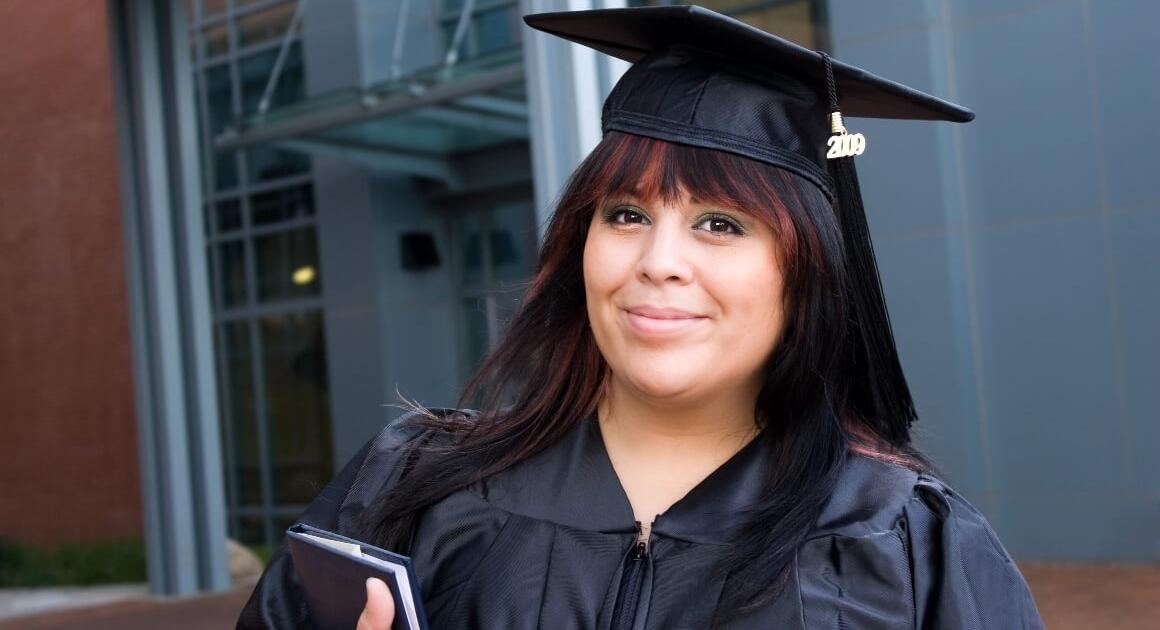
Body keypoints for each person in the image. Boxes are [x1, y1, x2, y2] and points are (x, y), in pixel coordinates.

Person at [237, 5, 1044, 629]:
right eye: (624, 214)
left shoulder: (901, 544)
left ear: (808, 271)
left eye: (720, 224)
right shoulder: (415, 487)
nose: (657, 260)